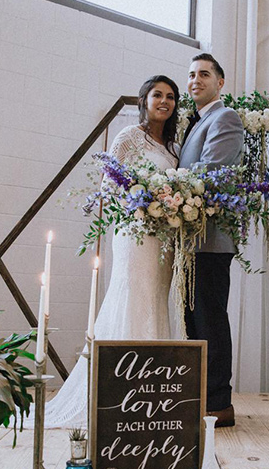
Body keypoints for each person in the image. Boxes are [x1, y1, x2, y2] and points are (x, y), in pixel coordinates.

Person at [43, 75, 181, 429]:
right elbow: (109, 185)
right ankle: (118, 390)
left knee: (155, 300)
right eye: (157, 95)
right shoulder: (128, 137)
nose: (163, 101)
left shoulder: (173, 147)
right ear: (144, 100)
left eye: (170, 96)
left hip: (162, 237)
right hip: (135, 235)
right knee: (132, 297)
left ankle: (150, 390)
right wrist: (143, 201)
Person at [178, 53, 245, 427]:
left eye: (204, 74)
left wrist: (164, 191)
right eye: (190, 74)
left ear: (221, 82)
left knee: (211, 321)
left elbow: (212, 171)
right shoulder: (197, 122)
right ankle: (203, 397)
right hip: (191, 240)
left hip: (212, 240)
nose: (195, 80)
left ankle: (219, 403)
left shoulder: (225, 118)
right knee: (195, 322)